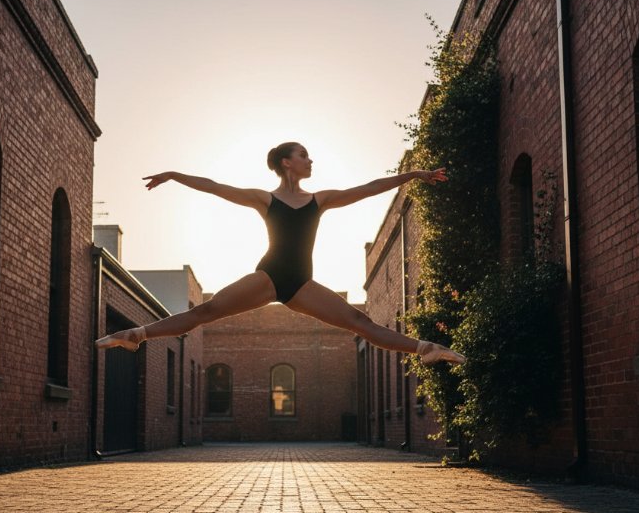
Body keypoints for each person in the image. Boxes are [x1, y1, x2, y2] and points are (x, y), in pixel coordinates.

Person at [95, 142, 465, 366]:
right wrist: (176, 175)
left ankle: (426, 348)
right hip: (270, 275)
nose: (310, 160)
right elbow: (217, 188)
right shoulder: (265, 198)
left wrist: (412, 176)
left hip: (301, 282)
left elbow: (367, 188)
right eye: (304, 155)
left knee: (358, 321)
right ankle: (136, 335)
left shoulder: (319, 200)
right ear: (287, 162)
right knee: (204, 312)